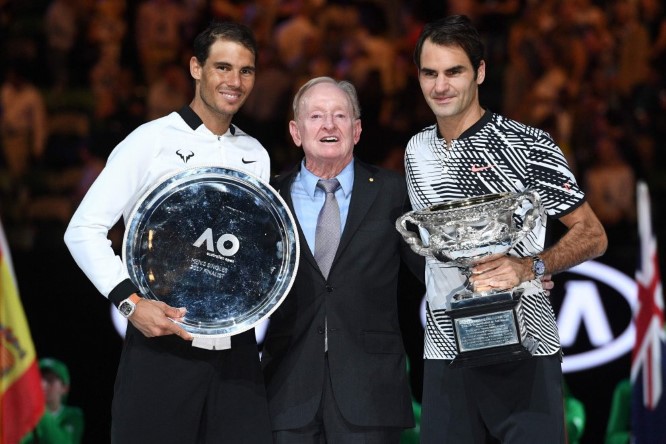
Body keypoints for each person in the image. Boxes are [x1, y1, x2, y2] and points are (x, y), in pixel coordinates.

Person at [64, 21, 272, 443]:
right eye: (223, 67)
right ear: (196, 68)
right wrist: (129, 302)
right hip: (163, 348)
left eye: (246, 71)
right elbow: (83, 229)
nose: (234, 81)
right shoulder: (150, 140)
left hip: (237, 355)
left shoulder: (256, 155)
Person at [405, 15, 608, 443]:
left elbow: (593, 234)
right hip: (445, 350)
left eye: (454, 71)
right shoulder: (415, 150)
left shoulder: (527, 144)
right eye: (430, 73)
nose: (440, 86)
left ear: (479, 72)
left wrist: (531, 267)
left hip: (526, 349)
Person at [260, 76, 425, 443]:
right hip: (287, 391)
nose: (329, 125)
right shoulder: (268, 198)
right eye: (316, 116)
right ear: (296, 131)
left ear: (357, 129)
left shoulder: (394, 193)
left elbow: (436, 270)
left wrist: (504, 277)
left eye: (340, 115)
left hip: (370, 393)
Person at [21, 358, 85, 444]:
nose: (43, 385)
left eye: (50, 380)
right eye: (39, 380)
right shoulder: (26, 415)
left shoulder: (73, 416)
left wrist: (38, 408)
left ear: (64, 388)